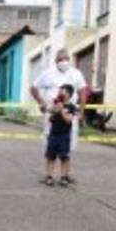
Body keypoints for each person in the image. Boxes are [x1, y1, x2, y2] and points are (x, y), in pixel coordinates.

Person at [31, 49, 89, 182]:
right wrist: (41, 103)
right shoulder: (47, 73)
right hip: (51, 113)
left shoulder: (76, 74)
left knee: (68, 145)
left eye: (66, 59)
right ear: (56, 61)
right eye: (60, 59)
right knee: (50, 145)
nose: (64, 62)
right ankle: (49, 175)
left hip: (69, 112)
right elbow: (33, 88)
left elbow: (83, 91)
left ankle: (65, 175)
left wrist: (81, 111)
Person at [44, 84, 79, 187]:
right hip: (53, 134)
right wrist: (54, 111)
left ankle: (63, 177)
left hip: (64, 136)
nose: (59, 93)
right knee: (50, 156)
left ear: (68, 94)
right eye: (59, 91)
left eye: (62, 91)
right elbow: (50, 119)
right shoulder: (55, 104)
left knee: (64, 157)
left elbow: (68, 120)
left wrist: (62, 110)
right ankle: (49, 177)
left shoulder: (71, 107)